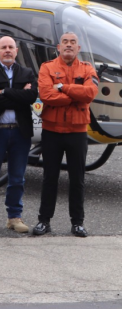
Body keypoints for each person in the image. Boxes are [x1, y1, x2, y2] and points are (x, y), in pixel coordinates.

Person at [33, 32, 97, 238]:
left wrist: (62, 87)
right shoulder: (47, 67)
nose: (69, 45)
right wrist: (74, 95)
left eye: (73, 43)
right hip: (52, 131)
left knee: (77, 179)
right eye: (65, 42)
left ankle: (77, 223)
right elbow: (45, 95)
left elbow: (90, 94)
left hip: (77, 133)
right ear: (58, 48)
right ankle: (44, 221)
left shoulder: (87, 68)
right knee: (49, 177)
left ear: (78, 49)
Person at [0, 36, 38, 234]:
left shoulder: (27, 72)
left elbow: (31, 97)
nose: (7, 50)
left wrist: (4, 91)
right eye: (3, 47)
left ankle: (14, 217)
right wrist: (17, 94)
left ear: (16, 50)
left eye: (10, 47)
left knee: (17, 177)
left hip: (20, 133)